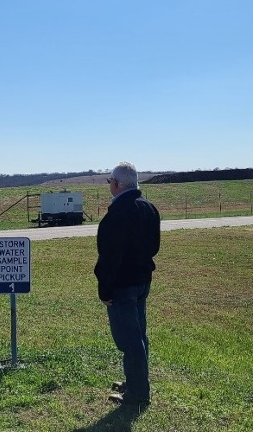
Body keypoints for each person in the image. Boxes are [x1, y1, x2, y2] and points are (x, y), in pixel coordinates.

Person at [94, 162, 160, 405]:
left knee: (129, 341)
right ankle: (135, 382)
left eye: (109, 180)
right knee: (139, 337)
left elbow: (109, 257)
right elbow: (154, 247)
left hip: (122, 285)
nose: (109, 184)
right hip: (142, 281)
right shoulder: (149, 208)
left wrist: (104, 288)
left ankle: (138, 394)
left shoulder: (118, 214)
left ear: (117, 184)